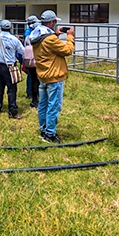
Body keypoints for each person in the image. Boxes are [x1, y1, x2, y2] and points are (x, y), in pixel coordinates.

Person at [30, 10, 75, 143]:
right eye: (54, 22)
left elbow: (47, 45)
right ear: (50, 22)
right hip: (54, 76)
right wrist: (70, 37)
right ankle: (50, 134)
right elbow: (67, 50)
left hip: (43, 75)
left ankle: (43, 129)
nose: (55, 24)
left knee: (43, 104)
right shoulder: (50, 39)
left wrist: (56, 33)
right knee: (54, 105)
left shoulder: (37, 35)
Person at [0, 20, 26, 119]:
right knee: (12, 89)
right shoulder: (14, 39)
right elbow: (23, 51)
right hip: (10, 66)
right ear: (10, 28)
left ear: (0, 27)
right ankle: (13, 111)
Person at [23, 20, 40, 108]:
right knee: (39, 81)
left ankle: (33, 97)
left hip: (29, 61)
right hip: (38, 61)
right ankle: (39, 98)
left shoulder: (28, 37)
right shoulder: (40, 37)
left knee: (32, 79)